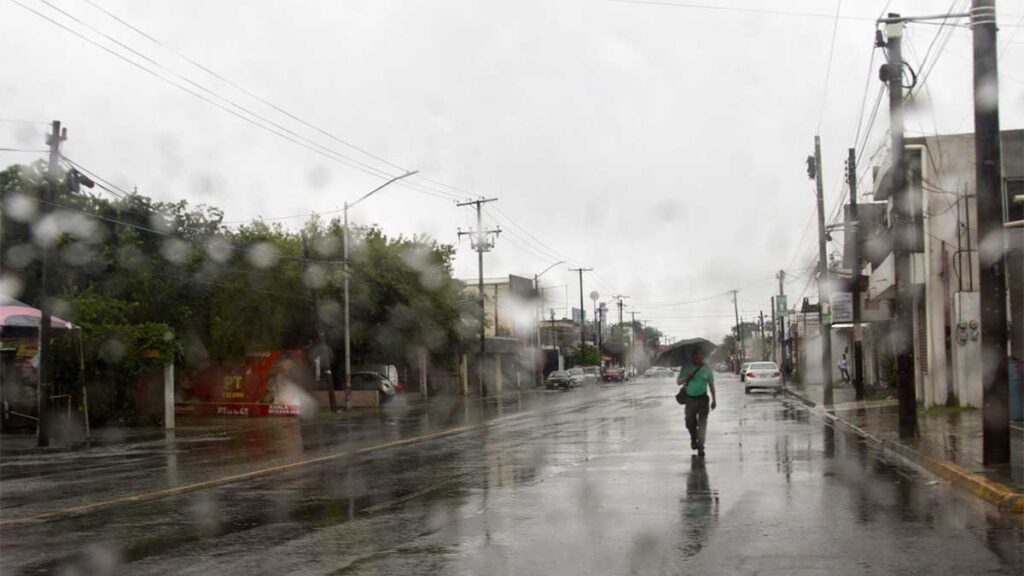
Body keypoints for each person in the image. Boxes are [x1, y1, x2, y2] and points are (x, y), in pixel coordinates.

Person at [677, 348, 717, 457]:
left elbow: (711, 384)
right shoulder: (686, 367)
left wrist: (714, 399)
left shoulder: (706, 368)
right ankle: (693, 438)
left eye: (701, 356)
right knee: (690, 422)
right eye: (697, 356)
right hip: (690, 399)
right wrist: (687, 377)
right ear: (693, 356)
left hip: (703, 399)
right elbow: (678, 382)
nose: (699, 358)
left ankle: (701, 446)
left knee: (703, 424)